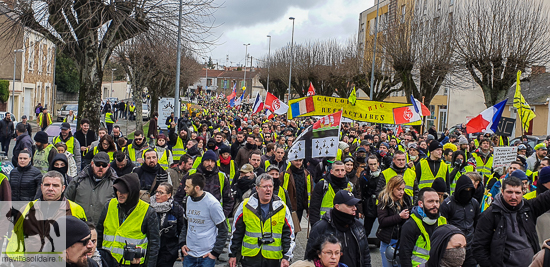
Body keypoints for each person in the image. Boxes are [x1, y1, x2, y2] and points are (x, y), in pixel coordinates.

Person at [473, 176, 550, 267]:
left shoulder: (529, 208)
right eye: (509, 192)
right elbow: (479, 247)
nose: (513, 197)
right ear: (502, 191)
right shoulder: (490, 215)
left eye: (517, 193)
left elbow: (546, 198)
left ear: (523, 192)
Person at [229, 173, 295, 267]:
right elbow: (236, 232)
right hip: (250, 258)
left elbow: (288, 234)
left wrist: (286, 257)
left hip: (273, 259)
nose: (268, 189)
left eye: (270, 186)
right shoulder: (245, 206)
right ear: (257, 188)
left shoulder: (282, 207)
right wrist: (233, 254)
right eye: (264, 186)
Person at [96, 173, 160, 267]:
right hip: (107, 261)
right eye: (118, 190)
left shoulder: (148, 212)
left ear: (132, 192)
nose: (119, 194)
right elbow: (99, 233)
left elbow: (154, 245)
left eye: (124, 191)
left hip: (132, 264)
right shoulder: (110, 205)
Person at [306, 190, 371, 267]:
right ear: (337, 207)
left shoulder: (358, 226)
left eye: (355, 205)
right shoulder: (321, 227)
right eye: (349, 205)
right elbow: (309, 259)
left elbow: (365, 255)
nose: (355, 208)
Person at [181, 174, 228, 267]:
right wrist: (182, 244)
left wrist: (215, 253)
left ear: (197, 188)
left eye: (188, 187)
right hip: (189, 254)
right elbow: (185, 224)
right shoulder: (187, 200)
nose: (184, 189)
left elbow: (223, 230)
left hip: (206, 256)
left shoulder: (212, 204)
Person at [174, 150, 234, 218]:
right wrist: (184, 214)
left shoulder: (221, 177)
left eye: (212, 161)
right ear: (203, 161)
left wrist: (221, 215)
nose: (210, 164)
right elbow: (178, 197)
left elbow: (229, 200)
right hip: (193, 217)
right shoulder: (191, 175)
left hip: (214, 218)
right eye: (207, 161)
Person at [65, 152, 118, 225]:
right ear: (92, 163)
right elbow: (66, 201)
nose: (101, 167)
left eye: (104, 165)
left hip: (103, 229)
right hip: (78, 226)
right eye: (98, 164)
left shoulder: (115, 184)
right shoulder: (78, 181)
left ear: (109, 166)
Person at [399, 188, 447, 267]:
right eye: (430, 201)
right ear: (420, 203)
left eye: (437, 201)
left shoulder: (443, 221)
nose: (435, 204)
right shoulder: (410, 225)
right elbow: (405, 257)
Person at [439, 175, 480, 267]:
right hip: (453, 249)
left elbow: (478, 223)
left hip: (470, 247)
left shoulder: (474, 203)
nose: (467, 193)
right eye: (465, 190)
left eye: (470, 190)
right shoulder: (447, 204)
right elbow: (443, 226)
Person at [377, 175, 412, 267]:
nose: (402, 192)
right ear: (392, 188)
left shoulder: (406, 200)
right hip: (388, 240)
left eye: (403, 189)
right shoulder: (384, 200)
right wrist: (399, 216)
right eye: (399, 189)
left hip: (402, 240)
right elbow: (382, 221)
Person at [149, 182, 186, 266]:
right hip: (151, 249)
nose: (157, 195)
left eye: (161, 193)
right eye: (157, 192)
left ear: (169, 195)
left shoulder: (176, 209)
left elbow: (181, 230)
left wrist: (180, 250)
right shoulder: (149, 207)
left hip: (168, 251)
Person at [284, 158, 313, 223]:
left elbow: (310, 191)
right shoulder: (286, 173)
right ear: (291, 161)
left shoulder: (307, 174)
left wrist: (309, 208)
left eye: (300, 160)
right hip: (289, 206)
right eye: (296, 160)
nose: (298, 163)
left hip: (300, 206)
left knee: (296, 229)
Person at [359, 155, 382, 236]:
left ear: (378, 164)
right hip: (369, 204)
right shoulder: (364, 176)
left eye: (374, 164)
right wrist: (361, 209)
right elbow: (361, 192)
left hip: (380, 203)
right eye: (371, 164)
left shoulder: (383, 174)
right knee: (367, 228)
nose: (373, 166)